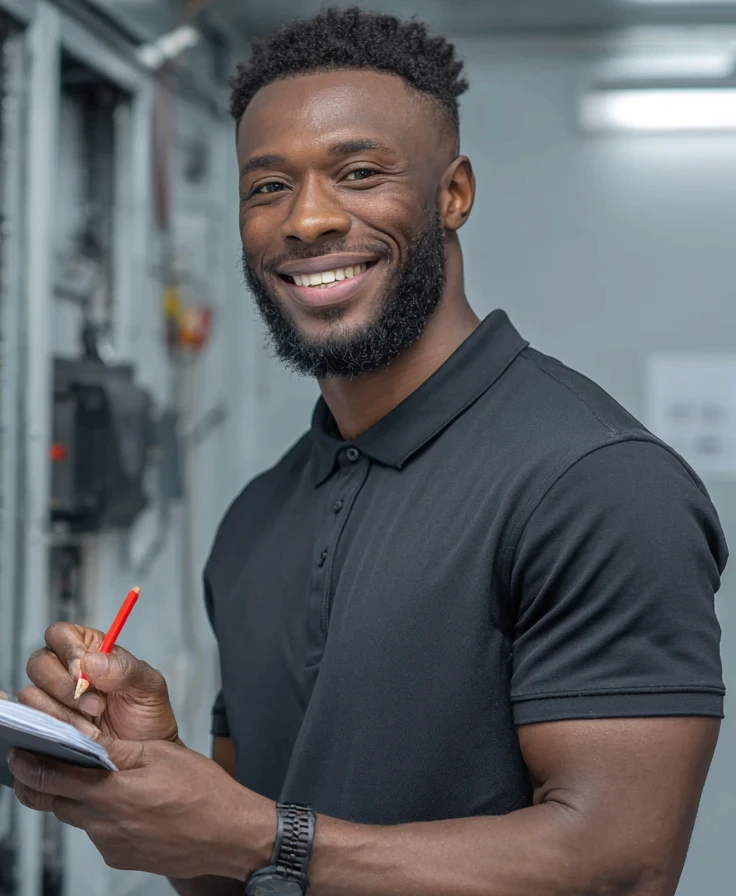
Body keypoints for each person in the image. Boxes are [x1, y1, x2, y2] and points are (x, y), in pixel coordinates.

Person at [9, 8, 728, 896]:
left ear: (452, 194)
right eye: (268, 186)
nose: (307, 219)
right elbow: (242, 868)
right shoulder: (255, 520)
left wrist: (258, 832)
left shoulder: (597, 484)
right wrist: (162, 790)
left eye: (358, 173)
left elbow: (619, 869)